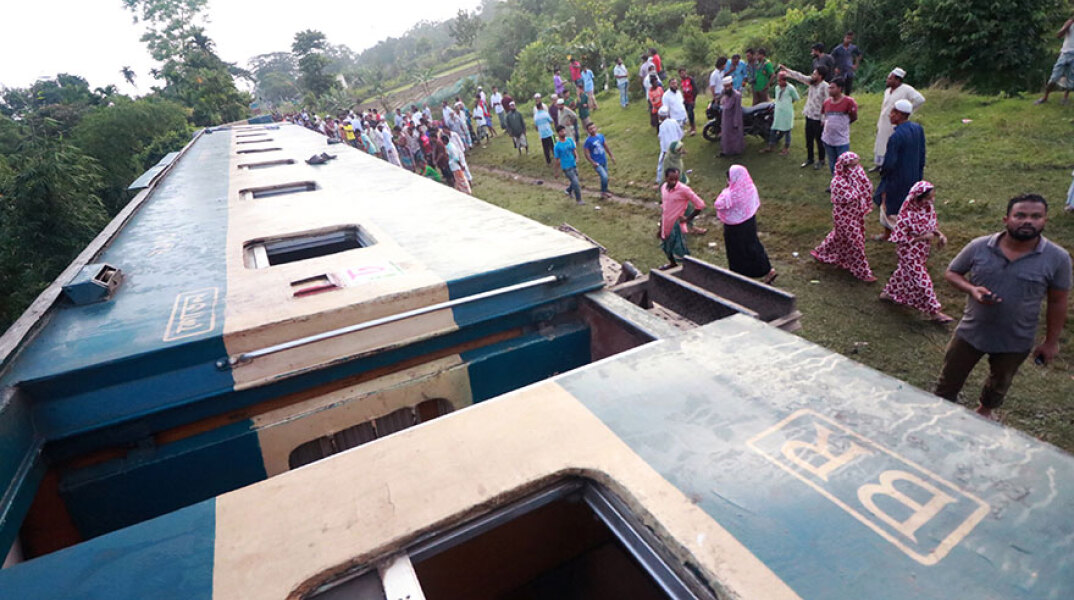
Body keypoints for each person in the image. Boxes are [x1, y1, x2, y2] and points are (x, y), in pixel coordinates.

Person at [935, 194, 1072, 419]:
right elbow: (952, 273)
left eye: (1035, 216)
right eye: (1020, 215)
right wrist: (971, 289)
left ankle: (984, 412)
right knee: (948, 380)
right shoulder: (979, 246)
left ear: (1045, 221)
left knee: (1000, 382)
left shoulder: (1058, 258)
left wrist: (1051, 342)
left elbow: (1058, 301)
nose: (1027, 221)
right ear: (1006, 219)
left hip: (1016, 338)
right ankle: (939, 411)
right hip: (971, 331)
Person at [879, 181, 952, 322]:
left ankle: (888, 293)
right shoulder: (906, 216)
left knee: (903, 272)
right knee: (922, 281)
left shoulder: (927, 209)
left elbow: (931, 227)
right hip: (908, 253)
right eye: (928, 198)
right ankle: (935, 312)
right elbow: (899, 239)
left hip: (921, 252)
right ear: (918, 198)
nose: (931, 201)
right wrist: (922, 238)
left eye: (933, 197)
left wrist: (940, 235)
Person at [811, 152, 876, 281]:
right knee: (855, 243)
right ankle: (863, 272)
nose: (856, 168)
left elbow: (866, 187)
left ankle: (822, 252)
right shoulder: (837, 182)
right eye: (853, 166)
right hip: (844, 217)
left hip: (855, 214)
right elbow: (852, 196)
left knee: (839, 236)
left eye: (857, 164)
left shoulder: (856, 175)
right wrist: (861, 192)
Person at [714, 165, 778, 283]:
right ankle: (767, 270)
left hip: (734, 227)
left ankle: (738, 274)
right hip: (749, 221)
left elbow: (718, 204)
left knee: (735, 250)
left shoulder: (731, 194)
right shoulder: (750, 187)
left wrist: (726, 189)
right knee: (753, 245)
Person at [875, 99, 926, 239]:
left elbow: (890, 162)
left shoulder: (896, 136)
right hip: (913, 174)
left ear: (900, 115)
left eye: (893, 112)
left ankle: (896, 233)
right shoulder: (918, 129)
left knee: (888, 204)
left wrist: (884, 173)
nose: (890, 115)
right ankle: (895, 233)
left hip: (896, 177)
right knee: (909, 204)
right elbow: (922, 153)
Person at [873, 68, 926, 170]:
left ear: (897, 80)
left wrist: (906, 111)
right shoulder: (887, 91)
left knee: (891, 143)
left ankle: (889, 166)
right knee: (881, 142)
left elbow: (920, 99)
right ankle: (879, 164)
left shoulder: (906, 89)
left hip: (895, 122)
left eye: (890, 79)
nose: (887, 80)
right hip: (884, 121)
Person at [782, 64, 829, 169]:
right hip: (809, 115)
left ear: (820, 76)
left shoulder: (825, 87)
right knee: (809, 139)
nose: (812, 75)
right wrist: (787, 70)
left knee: (819, 140)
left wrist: (824, 118)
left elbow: (827, 103)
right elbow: (799, 76)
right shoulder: (811, 82)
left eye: (815, 74)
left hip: (818, 118)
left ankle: (821, 160)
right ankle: (810, 158)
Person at [658, 168, 707, 269]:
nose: (674, 182)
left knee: (680, 250)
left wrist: (688, 219)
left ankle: (688, 269)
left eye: (676, 179)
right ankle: (672, 264)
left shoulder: (684, 189)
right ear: (666, 178)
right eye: (671, 179)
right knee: (666, 247)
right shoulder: (663, 187)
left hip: (677, 226)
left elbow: (700, 204)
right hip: (666, 223)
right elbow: (665, 206)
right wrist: (661, 225)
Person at [820, 77, 857, 176]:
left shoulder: (849, 102)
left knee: (843, 164)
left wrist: (842, 124)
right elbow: (824, 115)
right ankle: (836, 181)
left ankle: (844, 182)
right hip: (828, 139)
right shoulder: (826, 102)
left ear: (840, 89)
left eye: (832, 88)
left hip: (841, 140)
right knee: (832, 163)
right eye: (829, 88)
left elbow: (853, 117)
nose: (829, 90)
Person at [1035, 15, 1074, 104]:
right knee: (1054, 77)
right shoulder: (1069, 23)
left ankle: (1065, 98)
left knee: (1071, 79)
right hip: (1065, 54)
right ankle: (1045, 97)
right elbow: (1058, 35)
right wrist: (1067, 27)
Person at [762, 72, 799, 155]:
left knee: (787, 130)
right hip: (778, 112)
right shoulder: (777, 88)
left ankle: (786, 148)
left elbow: (796, 98)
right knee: (773, 129)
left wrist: (787, 103)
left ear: (785, 80)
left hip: (787, 112)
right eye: (778, 80)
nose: (778, 82)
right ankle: (771, 146)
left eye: (780, 80)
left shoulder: (790, 88)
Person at [583, 121, 616, 199]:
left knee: (605, 178)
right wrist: (593, 162)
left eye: (594, 128)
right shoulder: (588, 141)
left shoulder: (600, 136)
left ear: (596, 128)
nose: (593, 130)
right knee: (604, 177)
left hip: (604, 160)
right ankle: (603, 192)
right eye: (590, 129)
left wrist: (611, 156)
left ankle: (605, 190)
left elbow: (606, 146)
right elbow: (586, 154)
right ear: (587, 131)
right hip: (597, 163)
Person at [553, 125, 584, 205]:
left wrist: (577, 157)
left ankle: (568, 190)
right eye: (561, 131)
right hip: (566, 167)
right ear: (558, 133)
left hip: (573, 164)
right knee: (575, 182)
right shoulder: (557, 146)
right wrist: (556, 172)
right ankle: (579, 199)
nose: (563, 132)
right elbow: (557, 159)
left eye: (564, 131)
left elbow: (574, 150)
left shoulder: (570, 140)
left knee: (575, 180)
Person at [656, 105, 684, 184]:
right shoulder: (674, 122)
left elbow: (662, 139)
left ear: (661, 116)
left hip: (667, 150)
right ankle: (679, 179)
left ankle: (661, 182)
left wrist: (664, 151)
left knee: (662, 165)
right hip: (676, 148)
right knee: (677, 164)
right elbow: (681, 134)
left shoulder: (662, 126)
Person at [719, 76, 745, 156]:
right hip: (726, 118)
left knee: (735, 136)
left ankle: (735, 152)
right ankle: (726, 151)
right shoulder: (724, 93)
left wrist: (736, 122)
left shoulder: (737, 95)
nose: (726, 88)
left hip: (733, 118)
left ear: (731, 85)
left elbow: (737, 110)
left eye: (728, 86)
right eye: (725, 86)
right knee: (726, 135)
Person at [533, 96, 556, 166]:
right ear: (542, 107)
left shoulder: (536, 116)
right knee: (554, 146)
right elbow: (551, 121)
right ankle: (557, 158)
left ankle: (548, 162)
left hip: (542, 135)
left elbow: (536, 126)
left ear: (537, 108)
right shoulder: (546, 113)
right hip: (549, 133)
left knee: (546, 149)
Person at [678, 68, 699, 136]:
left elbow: (696, 90)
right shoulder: (682, 81)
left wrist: (693, 100)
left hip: (691, 99)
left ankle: (693, 129)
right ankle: (691, 126)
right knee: (688, 113)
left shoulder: (690, 79)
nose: (683, 74)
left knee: (690, 113)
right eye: (681, 73)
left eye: (683, 72)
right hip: (686, 100)